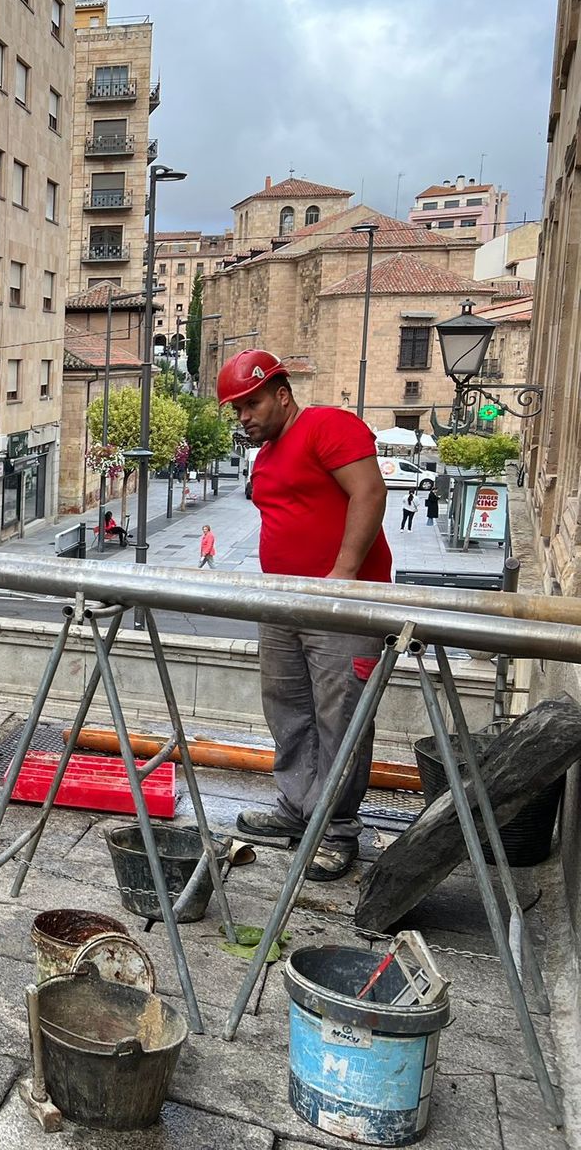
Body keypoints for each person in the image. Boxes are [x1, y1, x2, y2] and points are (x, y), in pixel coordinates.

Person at [218, 349, 389, 881]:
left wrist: (344, 573)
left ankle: (335, 830)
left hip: (342, 604)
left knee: (341, 718)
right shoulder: (267, 456)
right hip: (283, 602)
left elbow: (370, 491)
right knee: (288, 710)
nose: (243, 416)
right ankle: (298, 809)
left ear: (282, 394)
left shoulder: (326, 426)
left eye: (251, 404)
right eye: (236, 409)